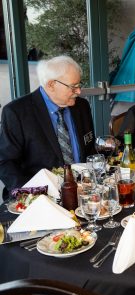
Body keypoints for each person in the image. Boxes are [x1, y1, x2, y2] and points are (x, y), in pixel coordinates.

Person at [0, 55, 95, 198]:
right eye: (73, 86)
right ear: (51, 85)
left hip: (82, 192)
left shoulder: (82, 106)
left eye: (79, 85)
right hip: (39, 196)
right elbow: (5, 162)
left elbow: (89, 149)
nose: (79, 91)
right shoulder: (17, 112)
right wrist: (30, 194)